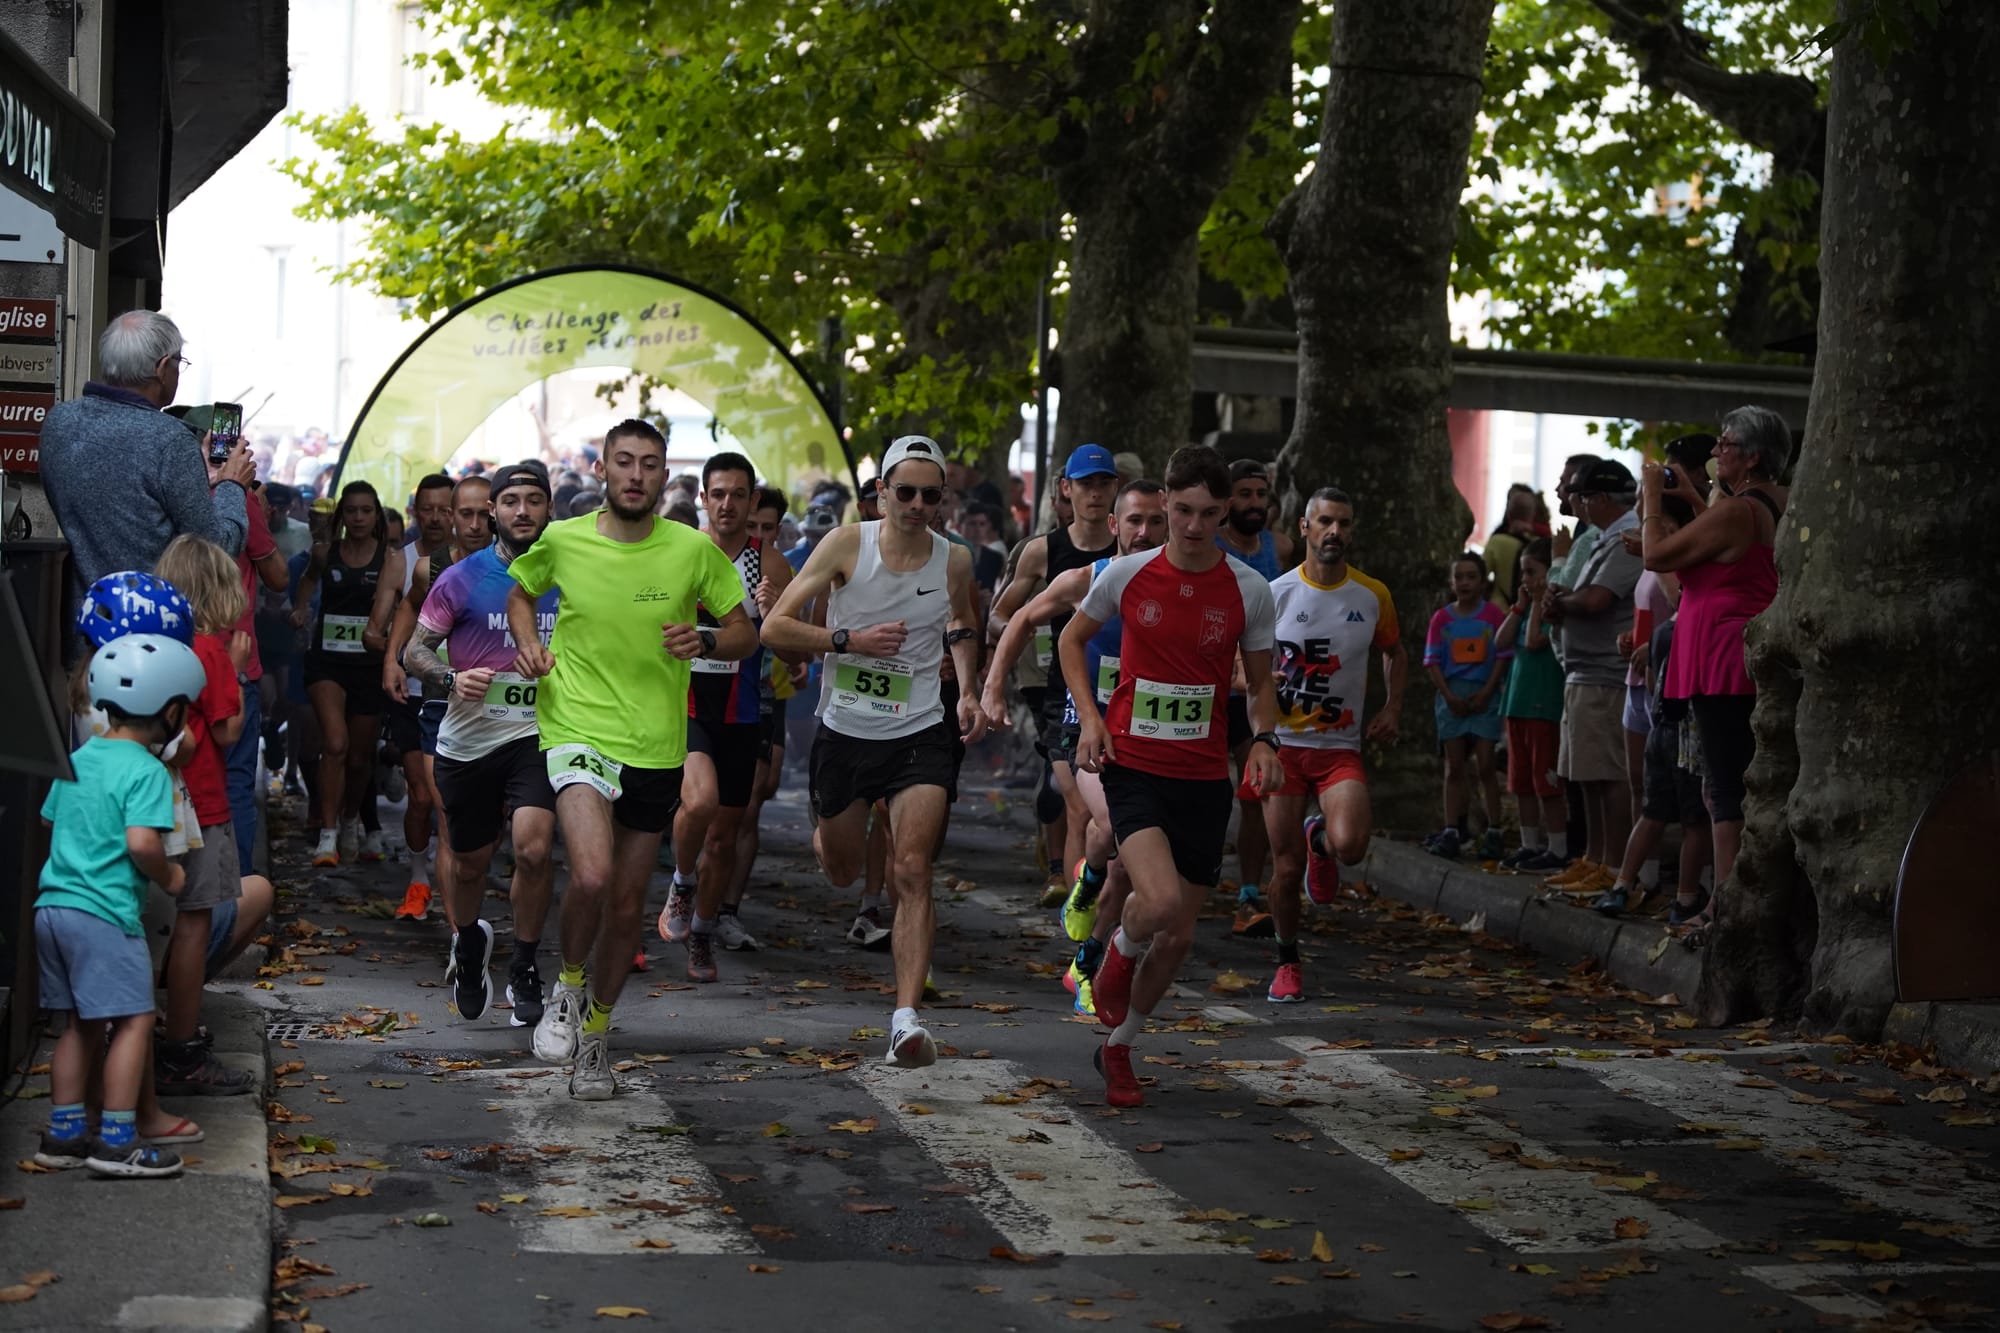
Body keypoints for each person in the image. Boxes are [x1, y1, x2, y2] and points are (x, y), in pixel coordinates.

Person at [507, 420, 756, 1100]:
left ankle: (597, 1035)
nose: (637, 474)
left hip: (654, 745)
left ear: (662, 474)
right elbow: (521, 593)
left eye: (649, 463)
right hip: (577, 724)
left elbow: (744, 634)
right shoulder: (562, 538)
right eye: (624, 461)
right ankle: (567, 986)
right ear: (606, 468)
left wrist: (703, 634)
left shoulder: (692, 550)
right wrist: (529, 643)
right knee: (589, 872)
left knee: (624, 906)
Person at [1064, 445, 1281, 1108]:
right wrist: (1092, 720)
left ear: (1225, 511)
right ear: (1163, 504)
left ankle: (1120, 1046)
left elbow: (1263, 682)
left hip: (1202, 774)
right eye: (1181, 509)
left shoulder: (1248, 588)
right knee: (1154, 903)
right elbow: (1073, 641)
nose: (1192, 524)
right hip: (1133, 765)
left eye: (1207, 512)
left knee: (1182, 934)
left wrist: (1266, 739)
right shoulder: (1124, 575)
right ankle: (1119, 952)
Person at [763, 434, 988, 1067]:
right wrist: (848, 639)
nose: (917, 505)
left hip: (920, 728)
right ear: (881, 493)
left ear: (942, 499)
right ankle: (830, 837)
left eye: (930, 495)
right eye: (905, 492)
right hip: (846, 731)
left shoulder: (954, 560)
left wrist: (967, 689)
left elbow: (963, 624)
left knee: (912, 870)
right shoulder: (845, 546)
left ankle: (906, 1019)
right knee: (840, 867)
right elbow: (775, 626)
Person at [981, 480, 1170, 1018]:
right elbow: (1019, 618)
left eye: (1155, 522)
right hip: (1083, 720)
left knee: (1126, 868)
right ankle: (1085, 882)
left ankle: (1085, 963)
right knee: (1109, 822)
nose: (1144, 533)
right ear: (1114, 526)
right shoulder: (1087, 578)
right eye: (1134, 521)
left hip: (1148, 732)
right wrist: (994, 686)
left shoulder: (1181, 587)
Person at [33, 633, 204, 1178]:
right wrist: (170, 874)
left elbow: (48, 819)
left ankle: (63, 1135)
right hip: (105, 916)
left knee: (77, 1024)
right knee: (133, 1021)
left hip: (52, 908)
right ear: (172, 709)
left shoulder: (80, 757)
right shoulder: (148, 771)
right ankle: (117, 1140)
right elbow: (141, 843)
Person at [404, 462, 561, 1026]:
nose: (523, 511)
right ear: (493, 511)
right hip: (469, 737)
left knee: (535, 848)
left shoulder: (569, 575)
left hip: (539, 735)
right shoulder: (461, 577)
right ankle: (470, 945)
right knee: (469, 866)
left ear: (549, 509)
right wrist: (450, 679)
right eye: (512, 501)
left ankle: (523, 965)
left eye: (535, 501)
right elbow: (414, 652)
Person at [1641, 406, 1790, 938]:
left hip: (1721, 660)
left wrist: (1652, 500)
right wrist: (1690, 497)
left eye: (1724, 444)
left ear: (1751, 455)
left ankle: (1725, 907)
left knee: (1722, 790)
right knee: (1734, 785)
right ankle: (1730, 900)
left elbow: (1657, 555)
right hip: (1739, 655)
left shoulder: (1738, 513)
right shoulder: (1772, 502)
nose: (1714, 452)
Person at [1260, 488, 1404, 1003]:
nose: (1334, 533)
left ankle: (1319, 837)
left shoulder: (1371, 596)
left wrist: (1390, 708)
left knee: (1351, 846)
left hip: (1339, 748)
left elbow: (1394, 652)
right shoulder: (1274, 594)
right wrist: (1255, 682)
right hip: (1283, 749)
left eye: (1343, 523)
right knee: (1284, 868)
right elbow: (1240, 664)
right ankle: (1288, 960)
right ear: (1304, 527)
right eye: (1324, 522)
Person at [658, 452, 795, 981]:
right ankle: (681, 881)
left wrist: (779, 608)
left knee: (724, 835)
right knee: (700, 801)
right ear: (703, 499)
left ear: (752, 500)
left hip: (743, 709)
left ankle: (703, 932)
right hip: (684, 703)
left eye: (739, 495)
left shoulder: (770, 563)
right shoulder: (679, 552)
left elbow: (796, 656)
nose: (728, 505)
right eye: (718, 494)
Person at [148, 536, 262, 1096]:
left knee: (149, 922)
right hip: (202, 809)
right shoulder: (210, 651)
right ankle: (181, 1046)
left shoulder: (147, 646)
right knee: (194, 924)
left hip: (153, 803)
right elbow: (227, 731)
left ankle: (138, 1028)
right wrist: (236, 673)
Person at [38, 311, 257, 596]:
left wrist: (196, 473)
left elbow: (129, 498)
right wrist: (232, 485)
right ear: (163, 367)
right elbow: (216, 548)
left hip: (83, 623)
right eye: (180, 362)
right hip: (154, 626)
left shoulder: (59, 423)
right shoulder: (169, 440)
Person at [988, 444, 1119, 907]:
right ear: (1067, 489)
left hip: (1124, 691)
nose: (1095, 494)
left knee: (1112, 814)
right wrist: (1035, 628)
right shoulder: (1042, 552)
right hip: (1058, 686)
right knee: (1078, 807)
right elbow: (1001, 617)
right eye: (1086, 484)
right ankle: (1078, 915)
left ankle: (1104, 903)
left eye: (1105, 484)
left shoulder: (1135, 546)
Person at [1593, 493, 1711, 918]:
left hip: (1692, 723)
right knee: (1653, 807)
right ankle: (1625, 883)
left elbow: (1679, 600)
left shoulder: (1694, 601)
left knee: (1696, 816)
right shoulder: (1677, 607)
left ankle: (1683, 895)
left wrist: (1657, 553)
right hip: (1664, 719)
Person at [384, 474, 493, 921]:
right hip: (439, 703)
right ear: (450, 516)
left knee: (486, 831)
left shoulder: (523, 567)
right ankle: (458, 936)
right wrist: (393, 658)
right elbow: (410, 604)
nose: (474, 524)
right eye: (464, 514)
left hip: (497, 711)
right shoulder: (432, 567)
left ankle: (466, 909)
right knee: (445, 816)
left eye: (482, 514)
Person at [1540, 460, 1643, 896]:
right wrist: (1564, 598)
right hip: (1587, 671)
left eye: (1580, 496)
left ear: (1600, 498)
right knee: (1588, 773)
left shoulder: (1625, 538)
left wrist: (1564, 602)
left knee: (1608, 774)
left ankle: (1611, 862)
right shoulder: (1603, 537)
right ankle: (1594, 858)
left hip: (1605, 672)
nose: (1575, 504)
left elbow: (1599, 599)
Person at [293, 481, 402, 867]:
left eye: (365, 511)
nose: (358, 518)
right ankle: (327, 836)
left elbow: (401, 604)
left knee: (359, 758)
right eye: (351, 511)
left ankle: (351, 818)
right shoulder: (326, 552)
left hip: (369, 665)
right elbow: (307, 580)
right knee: (334, 744)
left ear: (376, 516)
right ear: (342, 516)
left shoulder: (390, 559)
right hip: (328, 660)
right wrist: (302, 609)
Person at [1216, 459, 1294, 926]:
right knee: (1203, 791)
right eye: (1243, 495)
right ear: (1227, 501)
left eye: (1259, 495)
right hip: (1210, 685)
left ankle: (1249, 893)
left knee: (1255, 790)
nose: (1252, 504)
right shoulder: (1210, 546)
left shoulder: (1280, 547)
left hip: (1260, 686)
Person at [378, 473, 457, 918]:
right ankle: (419, 877)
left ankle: (456, 895)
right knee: (424, 797)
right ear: (415, 512)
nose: (435, 517)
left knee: (456, 803)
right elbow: (394, 614)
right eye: (426, 509)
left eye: (445, 509)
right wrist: (391, 654)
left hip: (466, 695)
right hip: (414, 694)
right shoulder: (409, 562)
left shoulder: (478, 560)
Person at [1421, 552, 1511, 861]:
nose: (1464, 583)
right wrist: (1449, 696)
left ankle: (1495, 829)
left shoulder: (1494, 617)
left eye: (1471, 576)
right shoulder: (1442, 619)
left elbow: (1502, 656)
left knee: (1486, 765)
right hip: (1453, 699)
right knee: (1454, 766)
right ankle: (1451, 829)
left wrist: (1488, 691)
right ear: (1451, 581)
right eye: (1459, 577)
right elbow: (1432, 661)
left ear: (1483, 581)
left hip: (1485, 698)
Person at [1495, 539, 1569, 873]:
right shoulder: (1526, 610)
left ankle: (1557, 847)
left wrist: (1539, 600)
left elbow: (1533, 640)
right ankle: (1529, 843)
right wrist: (1519, 606)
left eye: (1532, 572)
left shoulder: (1551, 609)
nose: (1525, 578)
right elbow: (1501, 641)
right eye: (1522, 572)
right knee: (1520, 782)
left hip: (1544, 706)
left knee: (1546, 782)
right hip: (1517, 705)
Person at [1484, 486, 1540, 607]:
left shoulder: (1496, 541)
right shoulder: (1539, 544)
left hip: (1499, 610)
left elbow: (1481, 574)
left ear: (1509, 514)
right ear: (1533, 514)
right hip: (1529, 611)